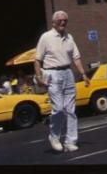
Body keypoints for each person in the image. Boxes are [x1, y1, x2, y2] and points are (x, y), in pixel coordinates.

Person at [34, 11, 90, 153]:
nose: (63, 22)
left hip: (67, 73)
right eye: (60, 20)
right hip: (52, 73)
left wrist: (83, 74)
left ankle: (71, 141)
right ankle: (54, 136)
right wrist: (39, 76)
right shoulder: (45, 37)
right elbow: (37, 60)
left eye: (65, 20)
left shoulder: (69, 37)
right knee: (58, 108)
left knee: (71, 110)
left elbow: (76, 57)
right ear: (53, 22)